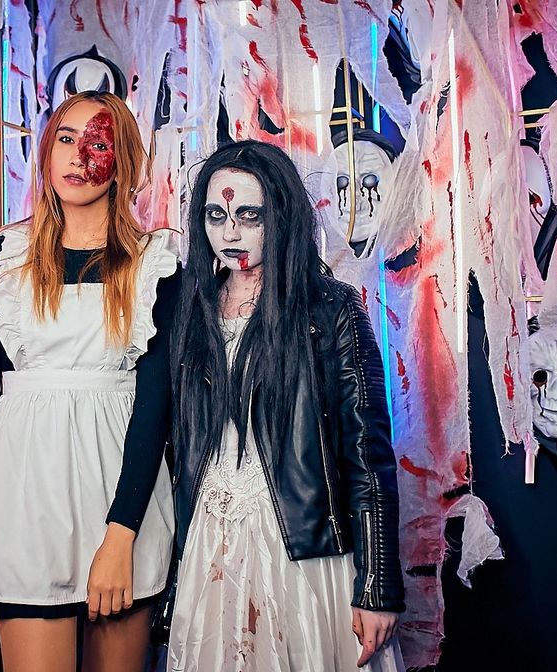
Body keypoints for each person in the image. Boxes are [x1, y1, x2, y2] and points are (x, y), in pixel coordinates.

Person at [0, 91, 179, 672]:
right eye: (65, 138)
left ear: (122, 161)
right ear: (46, 151)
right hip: (23, 500)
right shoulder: (6, 255)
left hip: (122, 502)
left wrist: (122, 535)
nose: (78, 156)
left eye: (97, 142)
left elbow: (156, 407)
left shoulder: (155, 262)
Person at [168, 140, 406, 671]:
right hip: (211, 542)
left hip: (303, 545)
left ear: (280, 215)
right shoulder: (190, 309)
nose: (230, 233)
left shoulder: (330, 307)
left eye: (249, 216)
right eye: (216, 216)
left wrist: (378, 585)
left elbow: (367, 453)